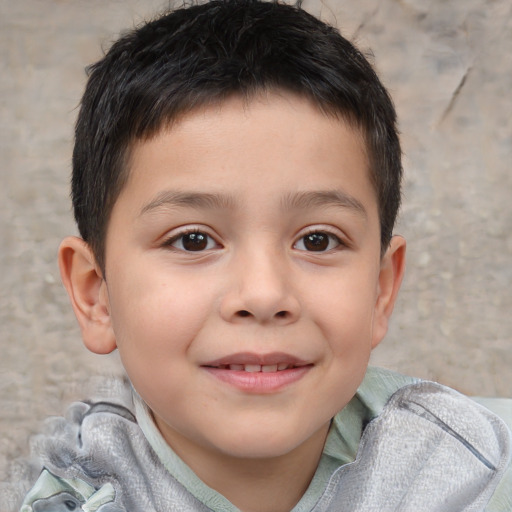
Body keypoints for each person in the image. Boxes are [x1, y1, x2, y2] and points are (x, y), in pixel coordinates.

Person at [19, 0, 511, 510]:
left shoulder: (470, 471)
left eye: (317, 240)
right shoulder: (77, 494)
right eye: (193, 240)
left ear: (381, 290)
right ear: (95, 294)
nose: (263, 294)